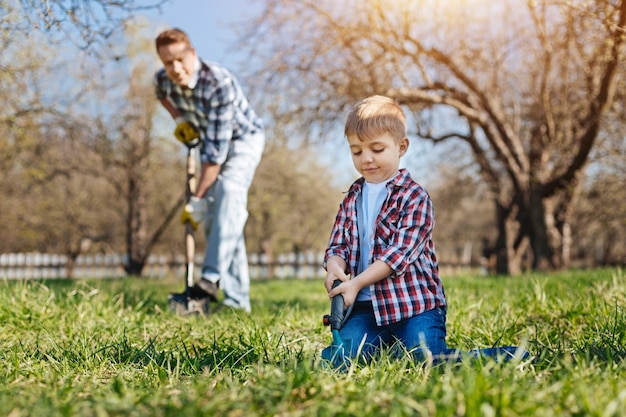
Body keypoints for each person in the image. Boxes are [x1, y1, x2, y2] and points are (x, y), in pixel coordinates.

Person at [323, 95, 448, 362]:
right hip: (366, 309)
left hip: (415, 306)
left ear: (401, 147)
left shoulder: (414, 197)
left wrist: (356, 283)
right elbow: (337, 245)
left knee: (425, 358)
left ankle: (509, 356)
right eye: (356, 151)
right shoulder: (352, 197)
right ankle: (384, 346)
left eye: (377, 149)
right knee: (340, 360)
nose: (366, 158)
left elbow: (398, 255)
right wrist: (334, 266)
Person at [154, 28, 264, 313]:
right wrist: (180, 120)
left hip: (243, 139)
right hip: (211, 144)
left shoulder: (218, 82)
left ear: (192, 52)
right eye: (168, 63)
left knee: (228, 191)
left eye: (180, 59)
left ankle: (210, 279)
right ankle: (237, 302)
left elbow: (214, 159)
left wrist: (198, 200)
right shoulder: (163, 81)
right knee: (227, 216)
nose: (175, 68)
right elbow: (161, 95)